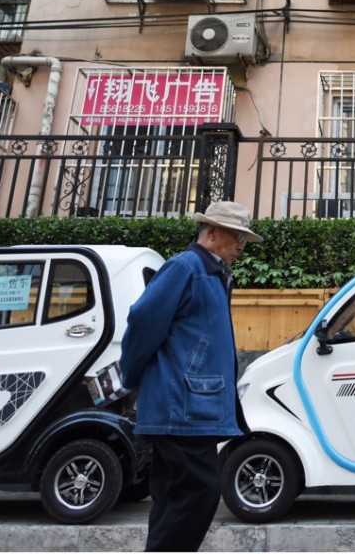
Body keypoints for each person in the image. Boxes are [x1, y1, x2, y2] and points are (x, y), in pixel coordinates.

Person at [119, 200, 262, 552]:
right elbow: (142, 322)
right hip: (181, 406)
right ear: (211, 232)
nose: (240, 248)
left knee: (172, 496)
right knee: (201, 491)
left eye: (243, 240)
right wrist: (131, 376)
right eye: (237, 238)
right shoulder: (187, 267)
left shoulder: (210, 273)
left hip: (188, 405)